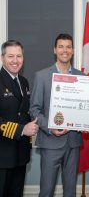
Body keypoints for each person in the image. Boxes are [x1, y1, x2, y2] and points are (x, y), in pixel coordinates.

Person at [30, 33, 83, 197]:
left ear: (73, 51)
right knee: (46, 191)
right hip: (50, 141)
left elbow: (84, 109)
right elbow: (34, 109)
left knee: (70, 192)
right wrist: (50, 127)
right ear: (55, 50)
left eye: (68, 47)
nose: (65, 50)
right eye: (61, 46)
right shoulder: (42, 76)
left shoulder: (81, 77)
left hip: (73, 142)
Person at [0, 40, 38, 197]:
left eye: (19, 56)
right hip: (2, 154)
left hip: (21, 154)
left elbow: (25, 112)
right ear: (2, 58)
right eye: (10, 56)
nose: (15, 61)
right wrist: (22, 129)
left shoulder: (24, 82)